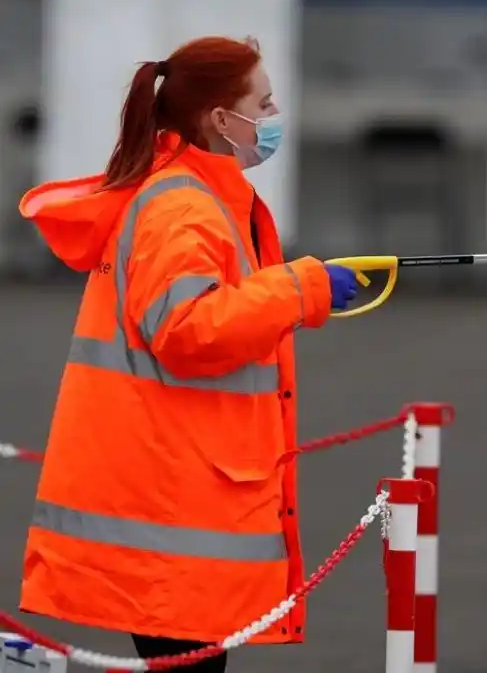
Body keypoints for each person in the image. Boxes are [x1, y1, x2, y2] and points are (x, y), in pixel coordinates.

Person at [17, 36, 359, 672]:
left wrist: (297, 289)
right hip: (173, 511)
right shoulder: (183, 209)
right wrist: (303, 288)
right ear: (221, 119)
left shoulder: (192, 198)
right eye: (264, 103)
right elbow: (189, 330)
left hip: (173, 499)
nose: (275, 115)